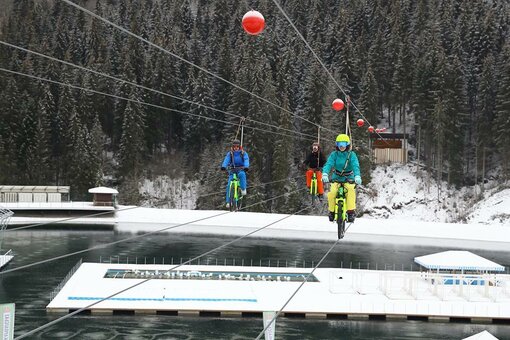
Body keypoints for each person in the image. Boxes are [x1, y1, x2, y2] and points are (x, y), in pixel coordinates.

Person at [321, 134, 362, 222]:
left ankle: (350, 212)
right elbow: (329, 164)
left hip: (349, 177)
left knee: (350, 190)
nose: (341, 146)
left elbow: (355, 166)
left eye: (343, 144)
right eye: (339, 144)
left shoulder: (351, 155)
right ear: (337, 144)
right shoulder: (334, 154)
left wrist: (357, 176)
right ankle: (331, 212)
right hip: (336, 177)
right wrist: (325, 174)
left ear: (347, 144)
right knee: (332, 193)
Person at [221, 139, 250, 208]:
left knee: (242, 175)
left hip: (240, 169)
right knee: (229, 185)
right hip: (232, 170)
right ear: (233, 147)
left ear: (239, 146)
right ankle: (228, 202)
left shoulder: (243, 153)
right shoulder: (230, 153)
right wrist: (223, 166)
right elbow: (226, 160)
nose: (236, 148)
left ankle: (243, 188)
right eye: (234, 146)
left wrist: (246, 166)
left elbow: (246, 160)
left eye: (237, 146)